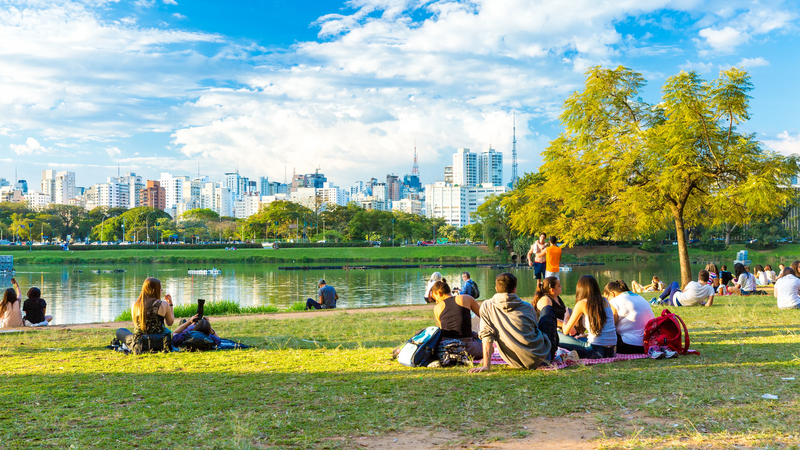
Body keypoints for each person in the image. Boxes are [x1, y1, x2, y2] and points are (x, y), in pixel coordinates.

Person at [469, 273, 555, 373]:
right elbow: (535, 328)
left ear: (496, 289)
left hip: (515, 362)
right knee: (547, 311)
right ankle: (556, 352)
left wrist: (486, 366)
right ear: (514, 289)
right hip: (542, 358)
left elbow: (487, 336)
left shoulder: (487, 306)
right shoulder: (527, 307)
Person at [558, 275, 617, 359]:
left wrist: (566, 317)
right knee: (579, 339)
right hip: (612, 350)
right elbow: (603, 330)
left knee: (557, 335)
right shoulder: (605, 301)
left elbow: (566, 331)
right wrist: (585, 335)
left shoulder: (582, 303)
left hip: (595, 351)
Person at [115, 277, 175, 347]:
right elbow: (170, 322)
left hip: (140, 344)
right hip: (160, 342)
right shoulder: (164, 304)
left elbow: (137, 326)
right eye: (160, 288)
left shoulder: (135, 305)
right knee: (167, 330)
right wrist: (170, 304)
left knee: (120, 331)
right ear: (153, 290)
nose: (162, 290)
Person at [430, 280, 483, 358]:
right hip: (469, 349)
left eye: (435, 298)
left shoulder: (437, 308)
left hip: (448, 350)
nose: (436, 302)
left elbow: (442, 331)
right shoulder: (466, 298)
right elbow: (484, 316)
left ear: (439, 293)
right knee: (489, 347)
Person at [604, 280, 655, 354]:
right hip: (648, 344)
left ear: (612, 294)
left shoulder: (614, 302)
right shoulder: (640, 298)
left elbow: (609, 328)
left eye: (606, 298)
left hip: (629, 345)